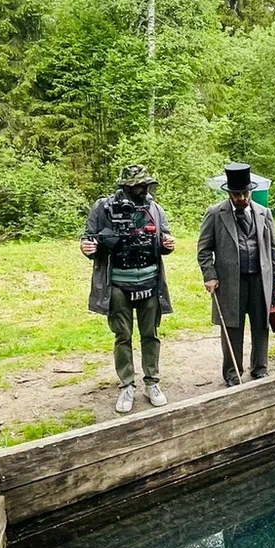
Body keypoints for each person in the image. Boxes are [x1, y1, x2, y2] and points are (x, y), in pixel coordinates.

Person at [81, 164, 175, 413]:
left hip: (150, 281)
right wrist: (87, 247)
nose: (140, 190)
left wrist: (168, 244)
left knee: (150, 335)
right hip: (118, 284)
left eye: (143, 185)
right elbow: (88, 237)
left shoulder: (155, 209)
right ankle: (126, 385)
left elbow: (164, 239)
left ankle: (152, 382)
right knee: (123, 336)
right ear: (124, 186)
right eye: (135, 186)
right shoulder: (103, 208)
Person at [198, 163, 275, 386]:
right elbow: (204, 249)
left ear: (251, 192)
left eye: (244, 193)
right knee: (232, 328)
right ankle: (232, 373)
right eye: (236, 194)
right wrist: (210, 275)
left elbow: (273, 249)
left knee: (261, 324)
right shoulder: (215, 214)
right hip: (229, 282)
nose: (241, 198)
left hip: (259, 280)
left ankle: (260, 368)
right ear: (229, 193)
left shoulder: (264, 213)